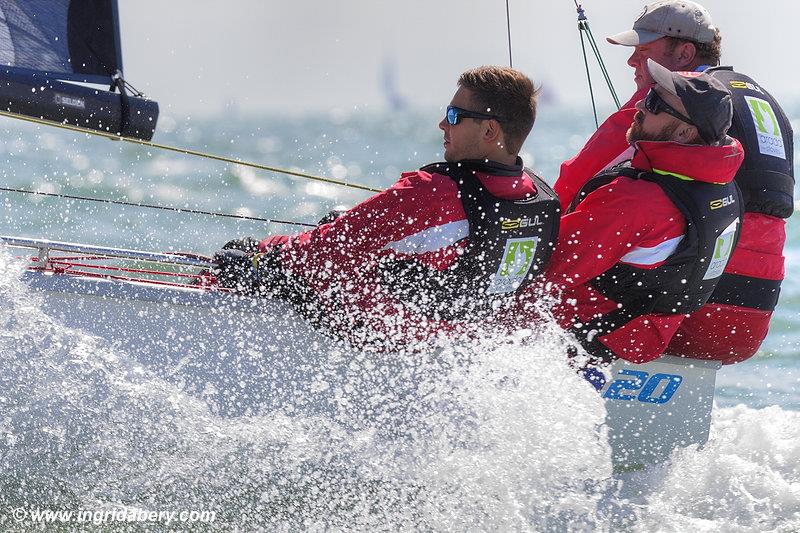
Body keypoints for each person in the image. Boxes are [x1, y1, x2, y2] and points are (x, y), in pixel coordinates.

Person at [212, 66, 560, 350]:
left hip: (375, 336)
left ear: (489, 129)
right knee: (338, 226)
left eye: (454, 115)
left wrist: (262, 254)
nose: (443, 124)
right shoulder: (539, 199)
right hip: (450, 342)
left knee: (252, 258)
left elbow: (327, 248)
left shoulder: (431, 192)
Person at [556, 0, 794, 364]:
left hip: (682, 312)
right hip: (753, 315)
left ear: (684, 53)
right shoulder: (762, 103)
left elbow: (574, 183)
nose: (633, 62)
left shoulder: (669, 100)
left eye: (645, 52)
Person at [536, 58, 744, 365]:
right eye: (648, 95)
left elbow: (546, 273)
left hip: (589, 345)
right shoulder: (723, 187)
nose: (640, 108)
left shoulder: (637, 200)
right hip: (642, 340)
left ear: (685, 133)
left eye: (654, 102)